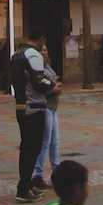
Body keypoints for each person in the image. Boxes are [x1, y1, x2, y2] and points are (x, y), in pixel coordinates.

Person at [12, 41, 55, 201]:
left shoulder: (16, 57)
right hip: (34, 107)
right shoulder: (30, 57)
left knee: (27, 148)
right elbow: (39, 83)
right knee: (31, 148)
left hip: (21, 106)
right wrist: (52, 85)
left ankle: (27, 184)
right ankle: (23, 189)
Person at [32, 42, 63, 188]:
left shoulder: (47, 66)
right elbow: (39, 87)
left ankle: (57, 173)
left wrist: (55, 86)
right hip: (45, 107)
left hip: (53, 107)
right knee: (44, 142)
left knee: (55, 141)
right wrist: (53, 89)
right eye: (41, 50)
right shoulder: (36, 68)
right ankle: (37, 174)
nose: (44, 52)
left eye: (45, 49)